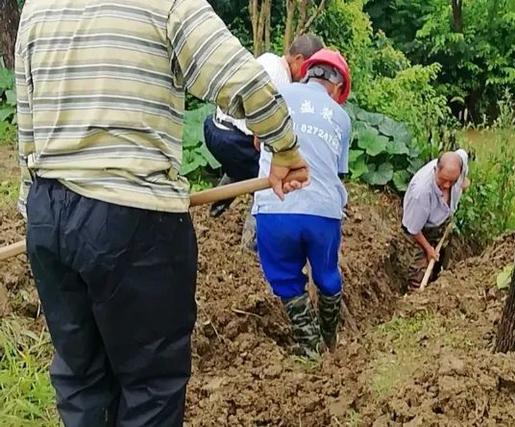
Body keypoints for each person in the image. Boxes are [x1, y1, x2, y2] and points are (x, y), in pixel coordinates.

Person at [14, 0, 309, 426]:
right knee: (150, 388)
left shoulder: (37, 6)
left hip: (49, 213)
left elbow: (28, 120)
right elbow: (243, 81)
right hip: (134, 221)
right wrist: (285, 147)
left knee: (81, 382)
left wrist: (37, 211)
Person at [252, 49, 352, 357]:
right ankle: (330, 339)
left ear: (307, 72)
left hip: (275, 206)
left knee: (284, 276)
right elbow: (338, 171)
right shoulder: (341, 118)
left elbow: (257, 142)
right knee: (326, 275)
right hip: (323, 212)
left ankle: (309, 348)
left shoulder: (279, 95)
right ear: (337, 87)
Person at [204, 34, 324, 250]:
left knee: (243, 164)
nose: (309, 77)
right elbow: (262, 136)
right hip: (232, 138)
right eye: (310, 69)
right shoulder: (282, 82)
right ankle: (251, 241)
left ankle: (217, 205)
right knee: (268, 177)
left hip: (214, 127)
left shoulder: (269, 59)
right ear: (298, 59)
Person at [402, 150, 470, 290]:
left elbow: (462, 157)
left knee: (443, 257)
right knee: (418, 275)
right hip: (420, 230)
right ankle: (414, 295)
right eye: (443, 180)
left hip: (442, 219)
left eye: (452, 181)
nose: (447, 185)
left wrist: (462, 181)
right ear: (436, 170)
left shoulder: (460, 161)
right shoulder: (421, 193)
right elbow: (414, 230)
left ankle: (437, 277)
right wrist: (428, 249)